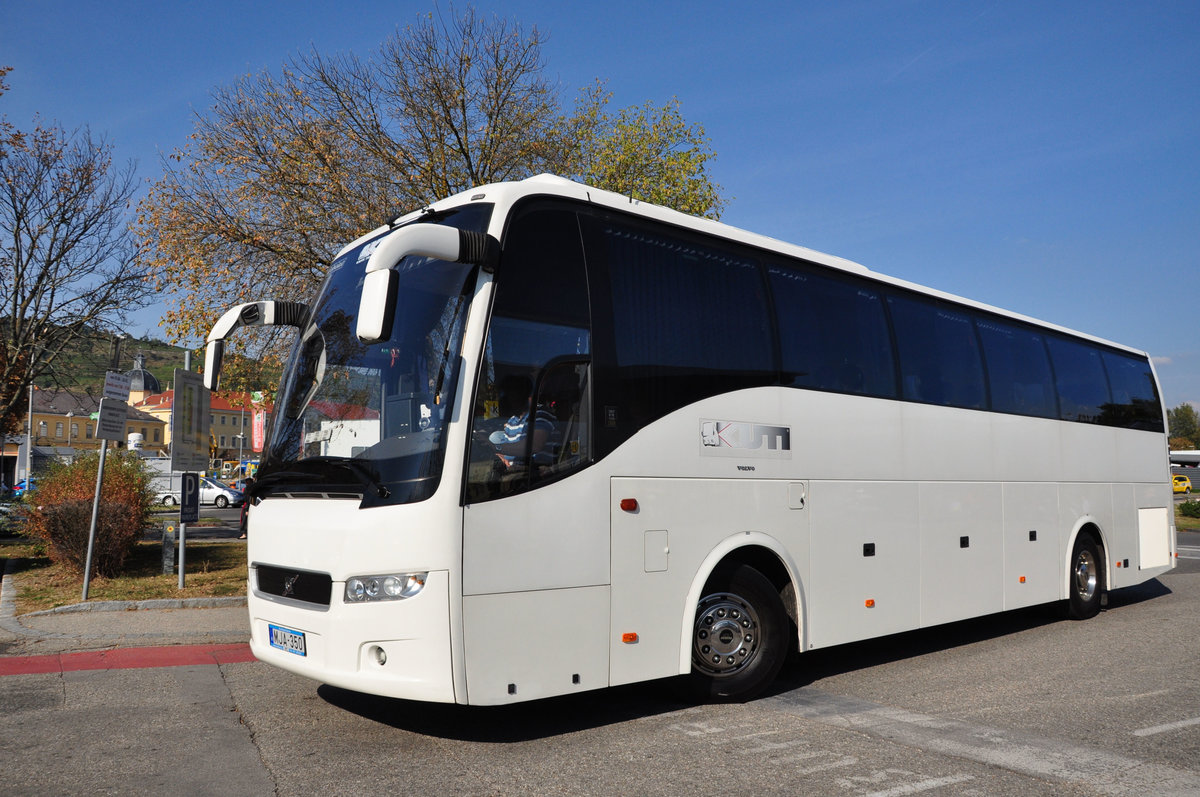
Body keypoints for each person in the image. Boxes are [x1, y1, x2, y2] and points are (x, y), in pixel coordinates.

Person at [488, 375, 556, 468]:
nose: (509, 400)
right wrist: (502, 456)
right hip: (514, 471)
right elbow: (507, 447)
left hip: (536, 473)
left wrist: (498, 448)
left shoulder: (540, 414)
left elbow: (534, 446)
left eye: (514, 395)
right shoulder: (512, 420)